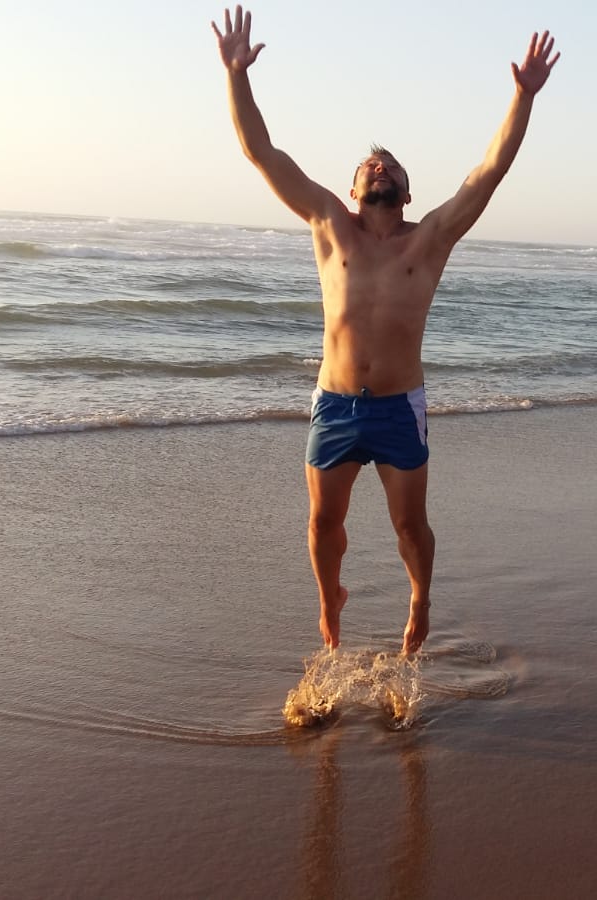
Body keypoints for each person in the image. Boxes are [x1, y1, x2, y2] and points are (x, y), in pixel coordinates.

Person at [212, 6, 559, 655]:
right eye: (370, 165)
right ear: (350, 189)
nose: (379, 168)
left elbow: (489, 171)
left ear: (406, 190)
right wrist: (237, 75)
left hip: (401, 406)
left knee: (409, 525)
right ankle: (330, 598)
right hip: (336, 402)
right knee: (323, 523)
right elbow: (262, 152)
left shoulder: (430, 239)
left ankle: (420, 598)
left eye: (390, 166)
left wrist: (523, 96)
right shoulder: (328, 223)